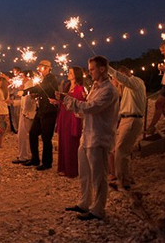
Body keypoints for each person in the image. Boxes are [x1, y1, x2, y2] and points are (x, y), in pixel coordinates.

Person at [63, 56, 119, 221]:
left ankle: (98, 209)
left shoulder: (109, 90)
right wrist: (70, 106)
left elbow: (91, 107)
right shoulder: (95, 88)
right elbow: (84, 110)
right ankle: (83, 203)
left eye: (92, 69)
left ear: (102, 69)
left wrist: (67, 100)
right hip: (86, 136)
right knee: (85, 173)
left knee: (99, 176)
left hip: (99, 137)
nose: (89, 72)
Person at [108, 65, 146, 191]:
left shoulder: (135, 82)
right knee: (123, 152)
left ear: (123, 74)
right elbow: (123, 108)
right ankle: (126, 179)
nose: (116, 81)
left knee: (120, 151)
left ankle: (122, 182)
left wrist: (106, 67)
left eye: (116, 78)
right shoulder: (129, 89)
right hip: (128, 119)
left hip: (131, 120)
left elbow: (122, 79)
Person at [23, 60, 59, 171]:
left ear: (48, 68)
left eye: (41, 67)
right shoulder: (44, 79)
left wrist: (27, 91)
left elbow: (43, 88)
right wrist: (36, 95)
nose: (39, 69)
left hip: (49, 111)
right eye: (39, 67)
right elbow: (43, 91)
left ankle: (47, 162)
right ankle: (35, 159)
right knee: (33, 132)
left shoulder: (51, 78)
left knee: (46, 137)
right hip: (41, 110)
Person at [50, 67, 86, 178]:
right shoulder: (67, 87)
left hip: (72, 118)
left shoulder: (80, 89)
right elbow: (64, 102)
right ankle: (63, 167)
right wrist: (57, 101)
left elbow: (79, 104)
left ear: (76, 75)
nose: (68, 74)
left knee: (71, 143)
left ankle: (72, 170)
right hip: (64, 117)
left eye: (71, 73)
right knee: (63, 142)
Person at [11, 70, 35, 164]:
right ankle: (23, 155)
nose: (21, 78)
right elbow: (22, 102)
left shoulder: (30, 86)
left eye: (22, 76)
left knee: (25, 136)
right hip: (24, 113)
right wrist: (13, 102)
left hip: (27, 115)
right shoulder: (26, 86)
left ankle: (26, 156)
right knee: (21, 135)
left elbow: (28, 103)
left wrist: (25, 113)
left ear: (27, 77)